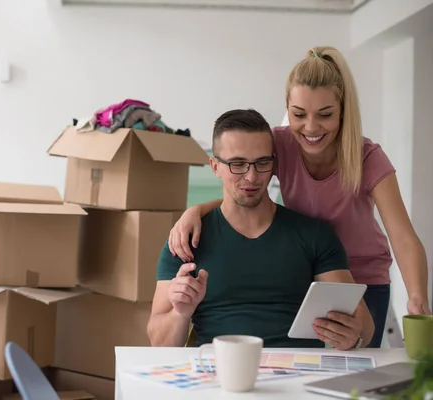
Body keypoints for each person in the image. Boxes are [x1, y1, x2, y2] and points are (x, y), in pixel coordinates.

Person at [167, 46, 430, 348]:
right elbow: (244, 188)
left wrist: (417, 294)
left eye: (325, 115)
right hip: (310, 273)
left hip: (362, 280)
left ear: (343, 111)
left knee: (357, 373)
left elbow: (403, 236)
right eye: (299, 114)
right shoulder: (280, 144)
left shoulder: (368, 157)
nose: (311, 127)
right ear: (287, 109)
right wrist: (196, 211)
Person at [147, 109, 374, 350]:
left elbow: (364, 325)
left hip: (297, 374)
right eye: (237, 164)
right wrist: (181, 314)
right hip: (218, 375)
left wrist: (354, 336)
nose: (252, 176)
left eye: (262, 162)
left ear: (274, 163)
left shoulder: (313, 235)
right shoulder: (186, 240)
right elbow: (159, 344)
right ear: (215, 167)